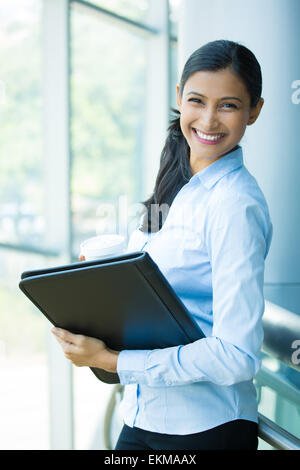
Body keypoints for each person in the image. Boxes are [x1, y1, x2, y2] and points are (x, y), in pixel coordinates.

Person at [52, 39, 273, 450]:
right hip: (144, 417)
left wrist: (113, 362)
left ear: (254, 110)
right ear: (179, 98)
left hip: (205, 431)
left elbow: (237, 356)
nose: (208, 119)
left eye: (228, 105)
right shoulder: (180, 181)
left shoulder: (235, 205)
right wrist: (99, 286)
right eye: (197, 100)